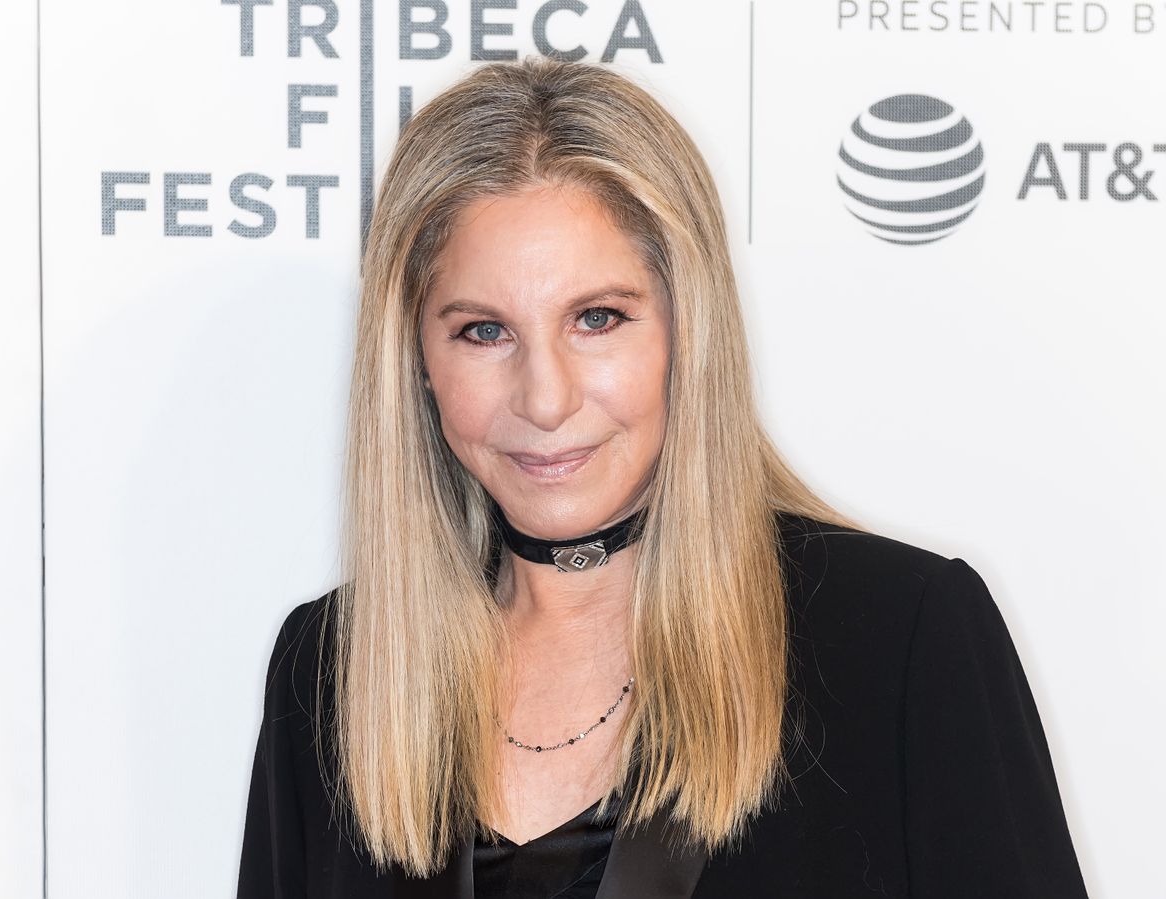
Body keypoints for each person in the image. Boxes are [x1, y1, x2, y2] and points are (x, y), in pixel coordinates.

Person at [235, 56, 1090, 898]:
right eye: (483, 331)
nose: (544, 397)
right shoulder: (332, 671)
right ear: (416, 358)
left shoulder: (901, 640)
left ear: (688, 328)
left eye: (597, 319)